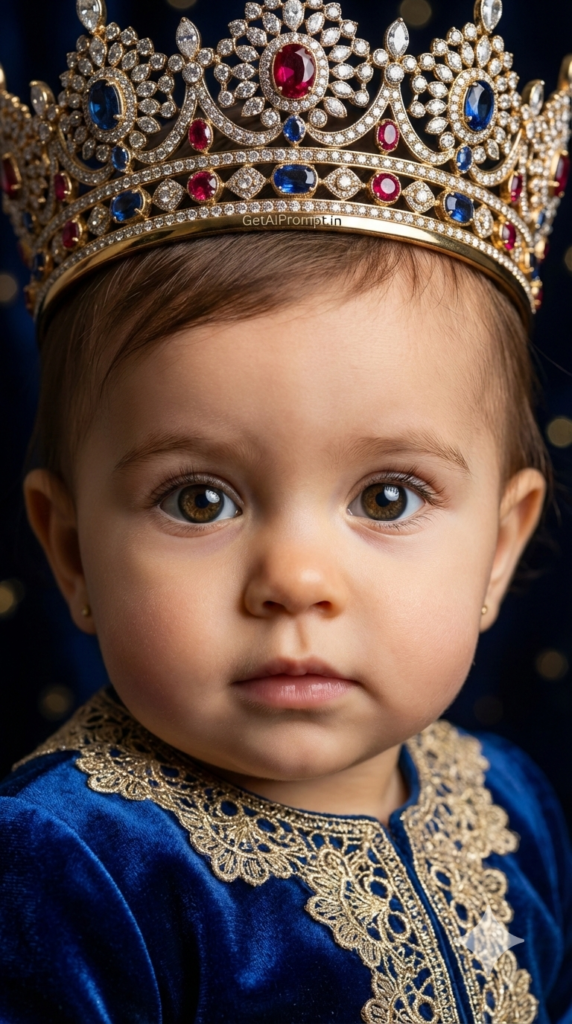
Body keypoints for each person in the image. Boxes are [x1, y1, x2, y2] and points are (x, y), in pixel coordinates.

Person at [0, 0, 571, 1020]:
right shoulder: (63, 869)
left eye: (386, 496)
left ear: (498, 546)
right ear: (74, 551)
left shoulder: (508, 802)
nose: (295, 580)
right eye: (199, 497)